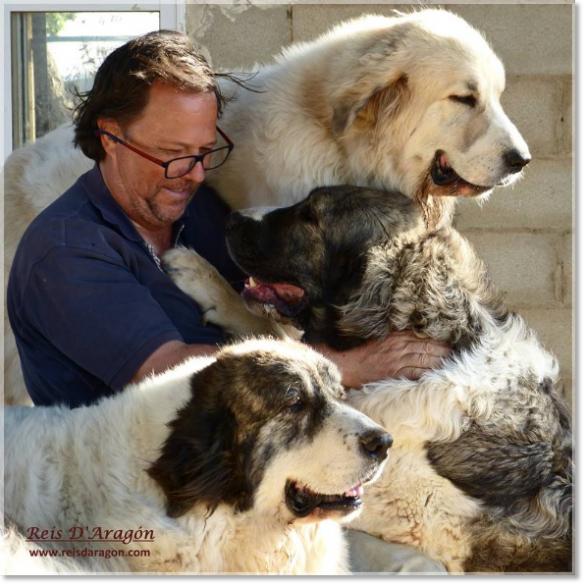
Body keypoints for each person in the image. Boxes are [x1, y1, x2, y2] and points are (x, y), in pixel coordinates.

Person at [7, 30, 448, 573]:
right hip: (141, 524)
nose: (194, 175)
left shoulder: (194, 209)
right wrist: (348, 367)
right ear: (110, 137)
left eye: (204, 151)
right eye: (172, 155)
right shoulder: (66, 251)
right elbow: (175, 377)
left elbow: (265, 298)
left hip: (263, 493)